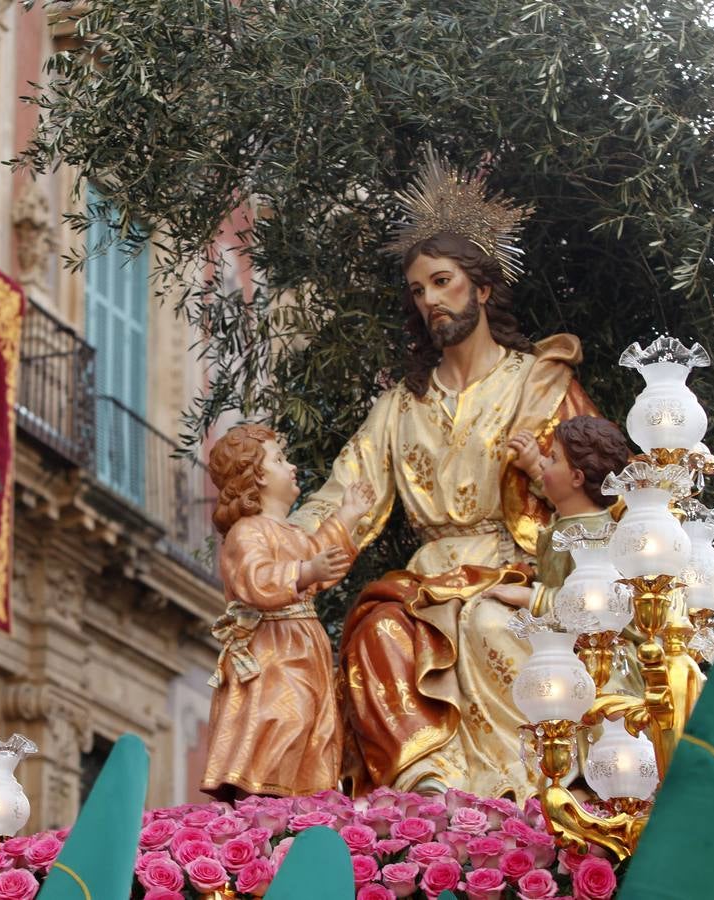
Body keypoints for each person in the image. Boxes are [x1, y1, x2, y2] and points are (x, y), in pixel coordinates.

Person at [289, 148, 599, 800]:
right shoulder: (402, 406)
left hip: (516, 572)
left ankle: (529, 797)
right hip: (428, 583)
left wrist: (557, 563)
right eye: (418, 289)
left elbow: (597, 492)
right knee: (376, 631)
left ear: (483, 288)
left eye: (443, 281)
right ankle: (425, 797)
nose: (430, 298)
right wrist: (284, 553)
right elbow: (350, 495)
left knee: (492, 624)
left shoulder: (540, 386)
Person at [200, 423, 375, 799]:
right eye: (280, 459)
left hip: (305, 646)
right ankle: (263, 797)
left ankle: (303, 801)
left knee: (318, 725)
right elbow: (254, 579)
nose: (292, 466)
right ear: (257, 475)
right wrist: (303, 573)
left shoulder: (292, 534)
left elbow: (317, 557)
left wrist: (347, 516)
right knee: (284, 718)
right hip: (273, 652)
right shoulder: (246, 533)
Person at [484, 415, 632, 616]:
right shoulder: (572, 524)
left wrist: (531, 598)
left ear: (577, 477)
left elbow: (598, 605)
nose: (542, 463)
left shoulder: (594, 537)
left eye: (552, 458)